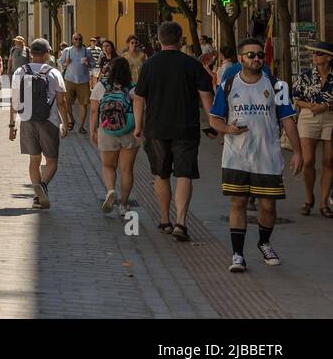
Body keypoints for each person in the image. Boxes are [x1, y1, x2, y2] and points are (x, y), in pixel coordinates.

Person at [209, 38, 302, 272]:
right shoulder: (227, 85)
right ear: (240, 59)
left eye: (260, 55)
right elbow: (214, 119)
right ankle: (238, 254)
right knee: (238, 202)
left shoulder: (277, 85)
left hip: (267, 156)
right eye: (251, 55)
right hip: (236, 156)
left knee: (268, 206)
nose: (256, 59)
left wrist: (298, 152)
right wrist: (228, 129)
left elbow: (288, 120)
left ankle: (264, 242)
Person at [133, 20, 215, 241]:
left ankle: (164, 220)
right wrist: (214, 123)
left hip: (156, 128)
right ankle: (181, 221)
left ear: (159, 40)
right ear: (180, 39)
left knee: (161, 174)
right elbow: (207, 97)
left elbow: (139, 98)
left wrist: (138, 126)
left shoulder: (149, 65)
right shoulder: (192, 65)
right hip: (186, 128)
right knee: (184, 174)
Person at [9, 38, 69, 209]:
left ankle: (37, 197)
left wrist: (12, 125)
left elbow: (14, 101)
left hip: (27, 120)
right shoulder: (54, 72)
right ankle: (42, 187)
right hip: (48, 121)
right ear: (45, 54)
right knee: (52, 161)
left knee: (34, 159)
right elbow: (61, 102)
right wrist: (65, 123)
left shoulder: (20, 71)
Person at [90, 56, 139, 214]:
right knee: (127, 169)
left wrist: (93, 130)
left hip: (107, 130)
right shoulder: (133, 88)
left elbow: (93, 111)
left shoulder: (101, 86)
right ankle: (124, 205)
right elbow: (141, 110)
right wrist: (140, 128)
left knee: (108, 166)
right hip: (129, 131)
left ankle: (111, 190)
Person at [292, 40, 333, 217]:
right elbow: (295, 98)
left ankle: (324, 203)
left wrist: (326, 107)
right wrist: (311, 106)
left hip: (331, 117)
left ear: (329, 58)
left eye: (319, 54)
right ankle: (309, 198)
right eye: (314, 53)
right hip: (309, 116)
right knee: (308, 160)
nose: (315, 56)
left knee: (329, 160)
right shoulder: (305, 76)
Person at [60, 32, 94, 134]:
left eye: (79, 39)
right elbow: (60, 62)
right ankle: (71, 119)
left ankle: (81, 126)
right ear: (72, 40)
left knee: (83, 104)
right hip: (69, 80)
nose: (78, 41)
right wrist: (66, 62)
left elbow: (93, 64)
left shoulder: (87, 51)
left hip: (83, 81)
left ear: (82, 40)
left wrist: (88, 63)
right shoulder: (67, 50)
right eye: (76, 39)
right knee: (67, 103)